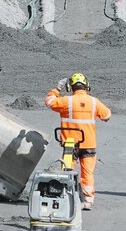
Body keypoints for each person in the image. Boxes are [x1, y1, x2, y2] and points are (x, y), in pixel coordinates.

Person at [45, 72, 110, 210]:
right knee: (87, 173)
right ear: (87, 86)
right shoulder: (94, 102)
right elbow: (107, 115)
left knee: (67, 171)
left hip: (70, 144)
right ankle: (88, 200)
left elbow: (49, 102)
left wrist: (57, 89)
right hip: (89, 144)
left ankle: (67, 197)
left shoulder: (66, 101)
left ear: (70, 87)